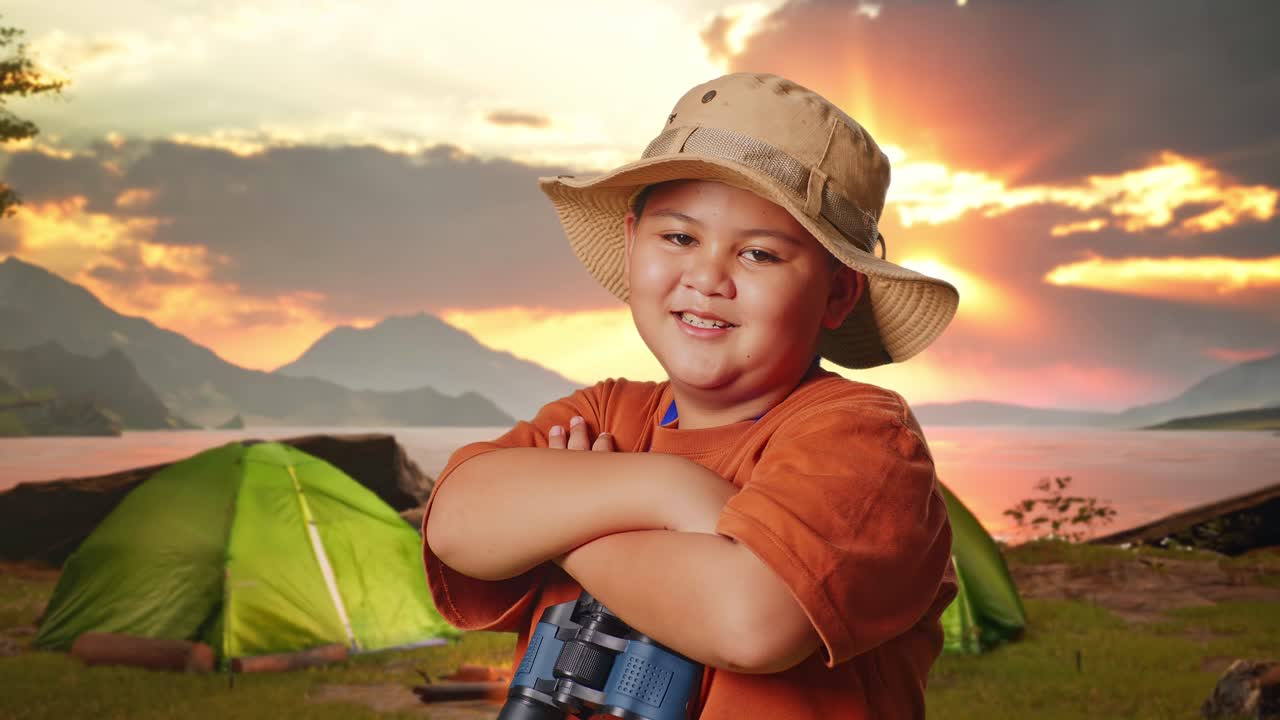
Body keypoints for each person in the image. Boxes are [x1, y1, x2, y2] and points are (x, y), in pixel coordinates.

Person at [422, 72, 961, 719]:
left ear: (839, 293)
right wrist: (663, 489)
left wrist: (563, 525)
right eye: (679, 238)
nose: (707, 277)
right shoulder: (603, 413)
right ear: (631, 243)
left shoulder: (864, 440)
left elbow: (751, 622)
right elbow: (456, 523)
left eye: (760, 254)